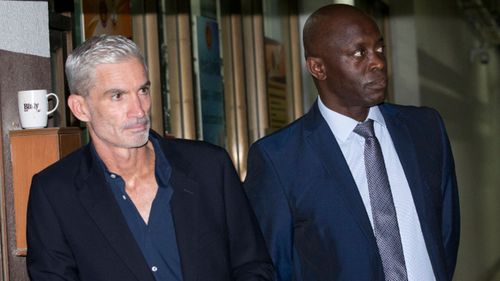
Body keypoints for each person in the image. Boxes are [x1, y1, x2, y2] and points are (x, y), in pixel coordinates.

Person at [26, 34, 274, 281]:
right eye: (118, 96)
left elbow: (254, 266)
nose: (139, 110)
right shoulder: (55, 193)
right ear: (80, 108)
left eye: (142, 90)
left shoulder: (210, 167)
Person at [244, 4, 460, 281]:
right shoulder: (279, 158)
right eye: (359, 53)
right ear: (318, 67)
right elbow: (271, 263)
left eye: (379, 49)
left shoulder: (426, 129)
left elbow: (446, 232)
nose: (378, 62)